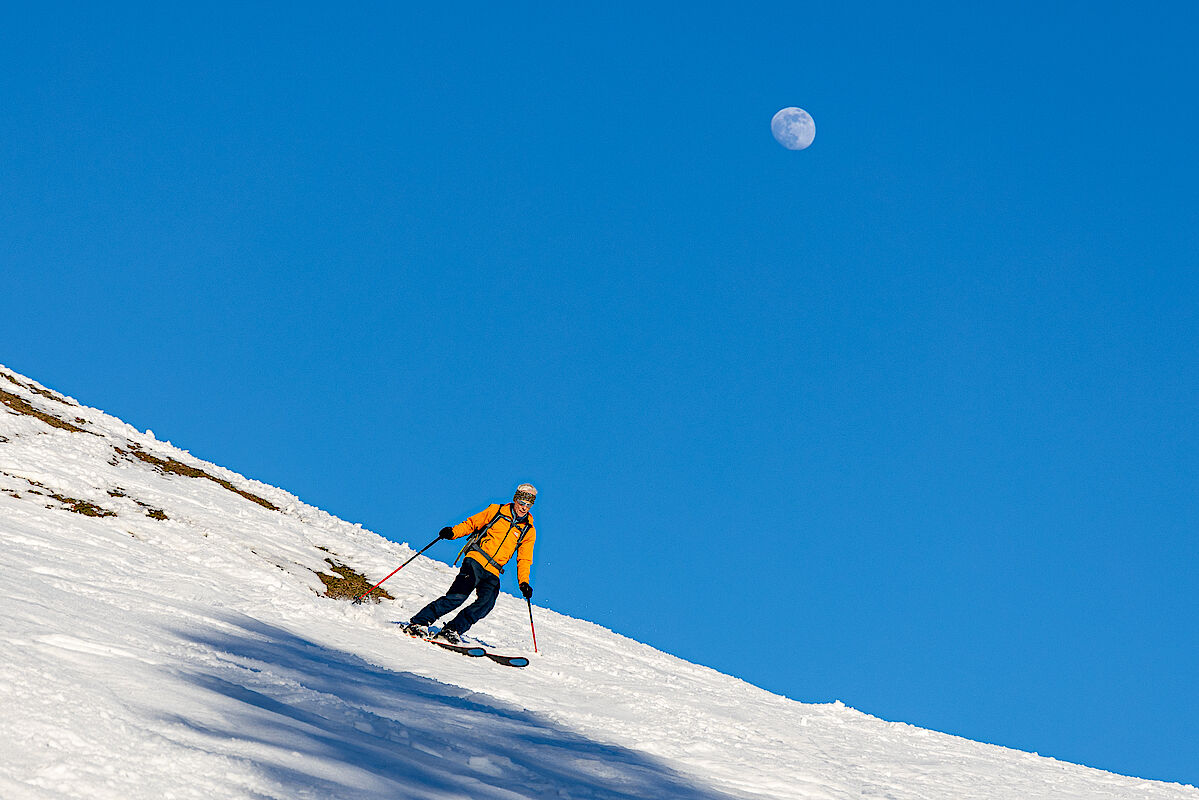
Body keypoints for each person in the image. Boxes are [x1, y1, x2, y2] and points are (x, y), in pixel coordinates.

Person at [403, 483, 538, 644]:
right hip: (476, 560)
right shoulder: (496, 511)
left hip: (494, 570)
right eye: (522, 503)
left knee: (486, 603)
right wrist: (453, 533)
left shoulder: (528, 530)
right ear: (516, 499)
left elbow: (524, 558)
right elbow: (471, 523)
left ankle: (452, 630)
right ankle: (420, 622)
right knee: (457, 596)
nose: (524, 507)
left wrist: (524, 582)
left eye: (528, 505)